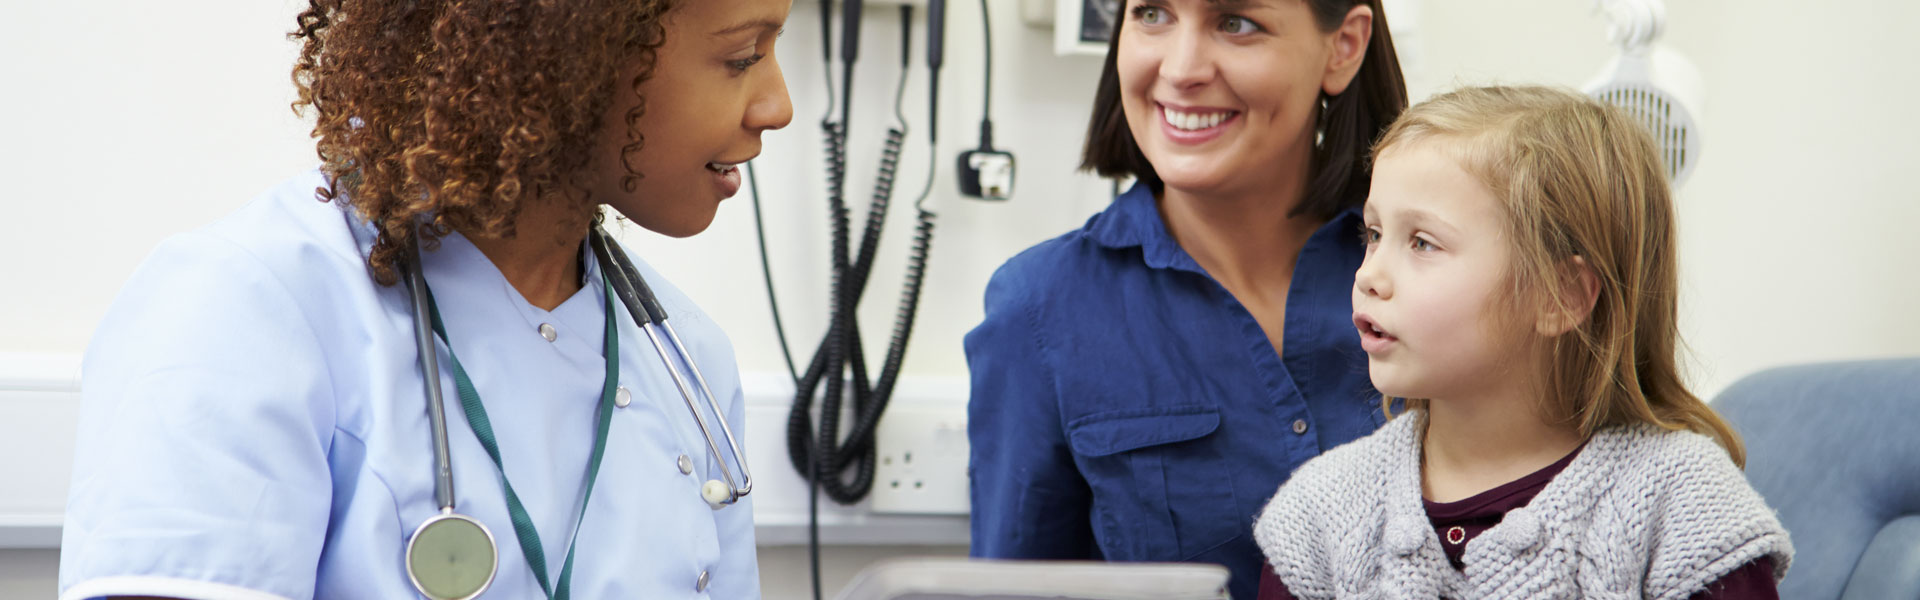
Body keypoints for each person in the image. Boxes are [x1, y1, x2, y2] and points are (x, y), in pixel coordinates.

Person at [58, 0, 794, 598]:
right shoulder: (238, 309)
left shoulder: (687, 360)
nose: (777, 105)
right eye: (741, 57)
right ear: (568, 50)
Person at [1253, 85, 1792, 598]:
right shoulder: (1321, 514)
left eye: (1422, 242)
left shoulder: (1682, 508)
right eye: (1373, 235)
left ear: (1560, 296)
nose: (1369, 275)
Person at [963, 0, 1407, 597]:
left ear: (1344, 47)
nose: (1181, 68)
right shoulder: (1040, 310)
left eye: (1236, 23)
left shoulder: (1441, 279)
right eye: (1151, 14)